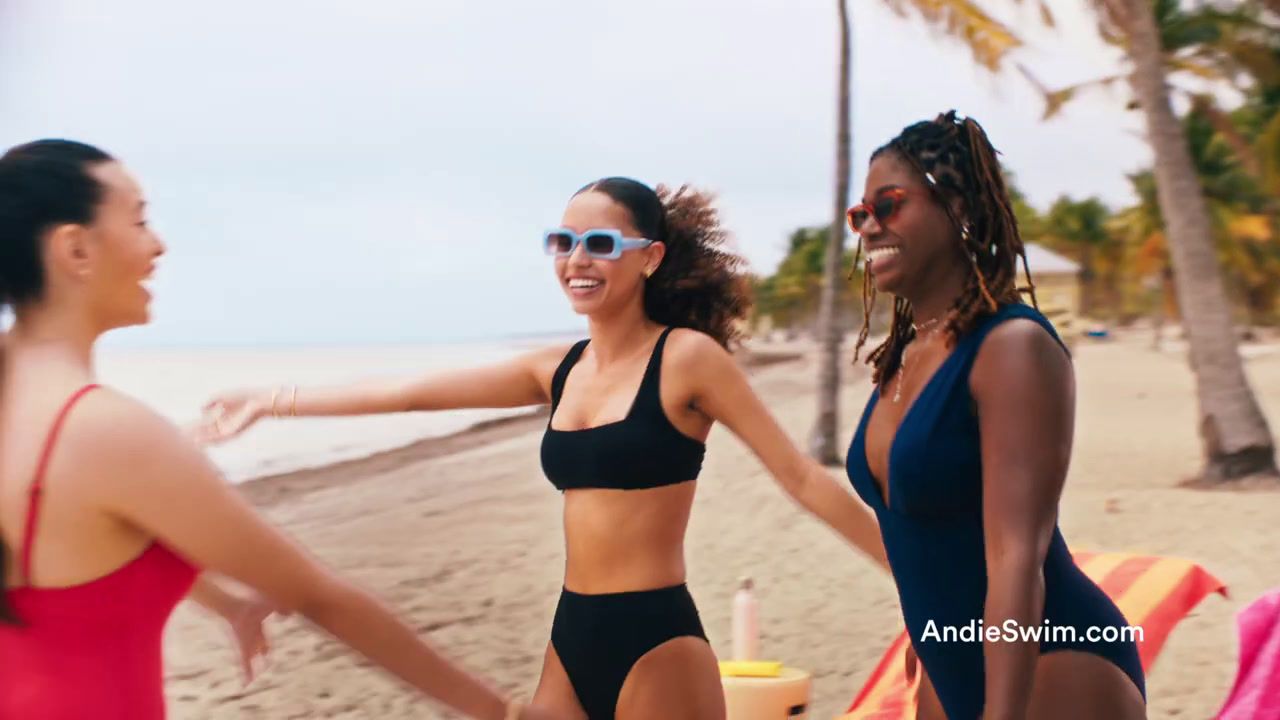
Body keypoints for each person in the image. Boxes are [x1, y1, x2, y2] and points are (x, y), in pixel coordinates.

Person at [196, 176, 888, 720]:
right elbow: (408, 392)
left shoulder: (686, 360)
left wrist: (915, 581)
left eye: (600, 245)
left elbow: (800, 477)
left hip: (658, 642)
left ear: (650, 258)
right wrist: (272, 400)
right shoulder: (555, 369)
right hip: (571, 635)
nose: (577, 260)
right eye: (563, 242)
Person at [0, 139, 556, 720]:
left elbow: (84, 557)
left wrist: (227, 605)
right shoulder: (105, 431)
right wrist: (505, 712)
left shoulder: (30, 406)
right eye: (139, 220)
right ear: (76, 249)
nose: (158, 244)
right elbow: (322, 598)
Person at [843, 111, 1146, 719]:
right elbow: (922, 541)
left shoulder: (1011, 346)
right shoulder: (903, 356)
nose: (870, 228)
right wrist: (929, 645)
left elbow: (1015, 557)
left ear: (957, 208)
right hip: (952, 661)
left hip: (1051, 659)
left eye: (890, 205)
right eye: (860, 215)